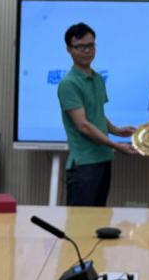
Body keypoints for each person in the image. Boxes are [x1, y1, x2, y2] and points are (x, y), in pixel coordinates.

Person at [58, 23, 137, 206]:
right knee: (80, 221)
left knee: (99, 217)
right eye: (80, 47)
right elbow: (83, 125)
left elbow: (97, 114)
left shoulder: (98, 78)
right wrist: (116, 145)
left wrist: (116, 130)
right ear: (69, 50)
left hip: (103, 159)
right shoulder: (69, 84)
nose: (87, 51)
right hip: (84, 164)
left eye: (90, 45)